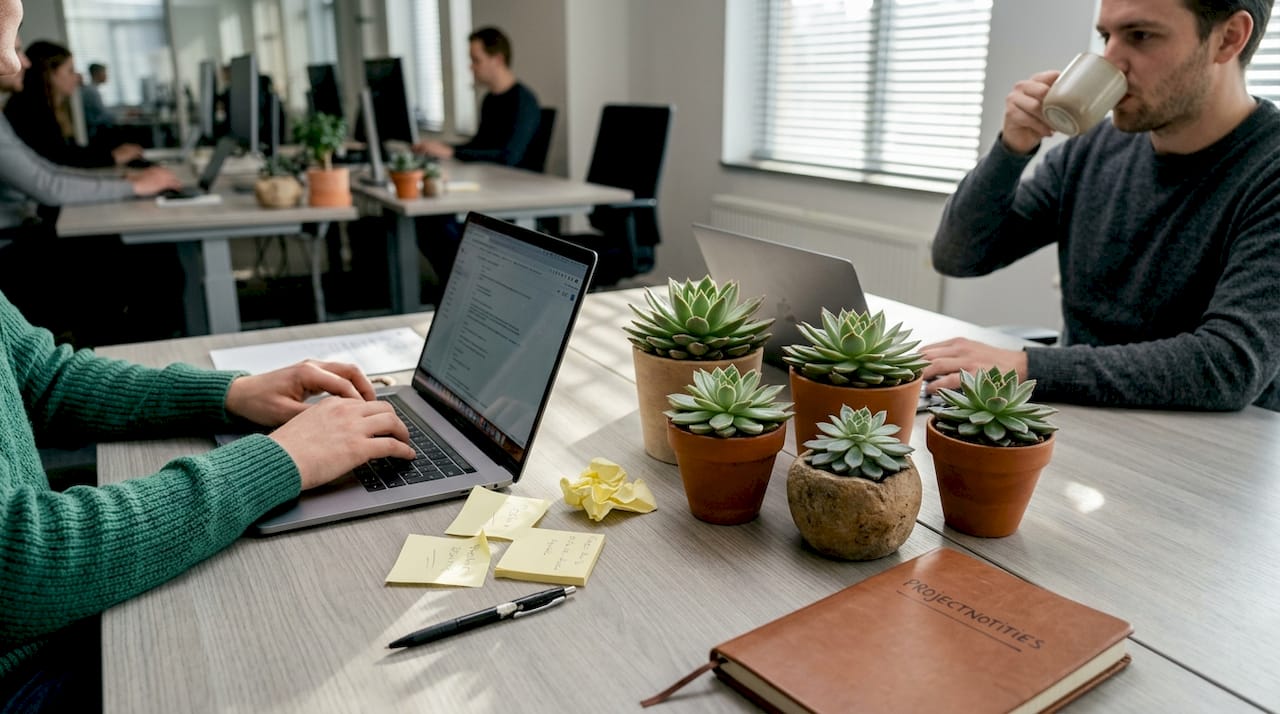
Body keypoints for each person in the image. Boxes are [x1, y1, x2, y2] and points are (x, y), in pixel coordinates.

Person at [0, 6, 418, 712]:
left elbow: (42, 376)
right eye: (2, 28)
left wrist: (230, 393)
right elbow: (21, 566)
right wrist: (280, 461)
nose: (14, 66)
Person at [924, 0, 1280, 411]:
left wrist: (1025, 366)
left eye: (1140, 36)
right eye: (1106, 37)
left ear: (1229, 38)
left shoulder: (1268, 170)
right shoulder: (1092, 149)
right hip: (1080, 415)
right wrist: (1012, 149)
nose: (1110, 61)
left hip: (1209, 449)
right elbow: (959, 256)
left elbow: (1227, 365)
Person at [0, 34, 182, 346]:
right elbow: (50, 187)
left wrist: (125, 183)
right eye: (16, 49)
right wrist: (132, 186)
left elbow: (51, 170)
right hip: (13, 247)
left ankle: (142, 353)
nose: (26, 62)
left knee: (149, 252)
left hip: (23, 233)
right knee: (151, 259)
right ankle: (135, 360)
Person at [4, 40, 143, 168]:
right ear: (49, 74)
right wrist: (112, 157)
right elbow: (58, 159)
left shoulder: (47, 107)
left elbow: (66, 151)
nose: (77, 76)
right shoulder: (29, 111)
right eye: (70, 70)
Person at [413, 26, 540, 166]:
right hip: (492, 177)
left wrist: (451, 152)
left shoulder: (524, 102)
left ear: (497, 60)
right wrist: (443, 147)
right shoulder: (490, 100)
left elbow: (508, 157)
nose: (471, 67)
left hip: (517, 183)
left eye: (476, 60)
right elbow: (479, 145)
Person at [79, 61, 111, 142]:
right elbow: (103, 114)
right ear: (97, 74)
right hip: (95, 133)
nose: (107, 75)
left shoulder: (92, 89)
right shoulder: (91, 91)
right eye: (104, 72)